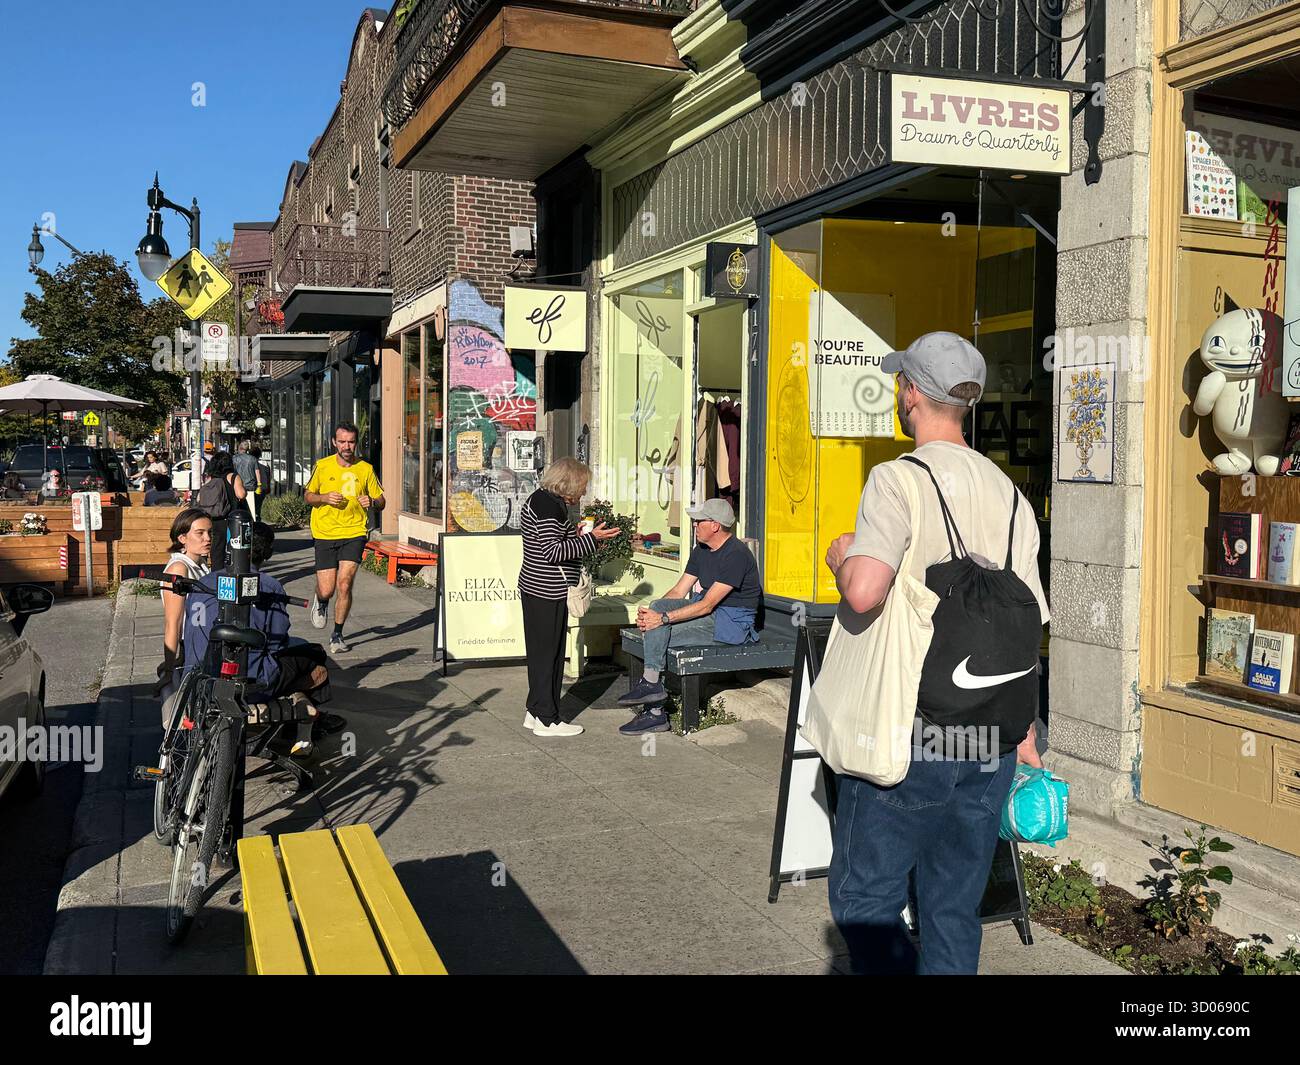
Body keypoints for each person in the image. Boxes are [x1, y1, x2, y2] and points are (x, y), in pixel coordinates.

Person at [821, 332, 1048, 976]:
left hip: (910, 730)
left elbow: (864, 592)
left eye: (901, 383)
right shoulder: (1012, 497)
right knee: (953, 907)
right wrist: (1028, 734)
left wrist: (842, 556)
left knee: (867, 900)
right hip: (991, 738)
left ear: (912, 393)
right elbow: (1028, 621)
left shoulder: (898, 480)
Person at [181, 521, 343, 756]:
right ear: (268, 552)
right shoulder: (268, 585)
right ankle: (308, 726)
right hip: (246, 681)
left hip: (198, 677)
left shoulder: (203, 583)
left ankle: (306, 720)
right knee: (312, 656)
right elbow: (278, 640)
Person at [617, 497, 762, 735]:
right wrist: (652, 614)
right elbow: (678, 591)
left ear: (715, 525)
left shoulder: (736, 554)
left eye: (699, 521)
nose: (694, 525)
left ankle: (654, 710)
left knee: (659, 632)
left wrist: (662, 619)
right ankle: (652, 689)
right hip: (708, 611)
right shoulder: (701, 549)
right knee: (657, 606)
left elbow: (707, 605)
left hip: (731, 623)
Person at [517, 457, 619, 738]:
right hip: (547, 590)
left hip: (536, 587)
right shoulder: (550, 506)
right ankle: (547, 720)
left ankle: (535, 711)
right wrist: (591, 539)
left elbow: (549, 542)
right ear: (569, 483)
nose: (583, 492)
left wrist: (575, 535)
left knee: (541, 655)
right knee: (549, 656)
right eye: (582, 486)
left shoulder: (540, 499)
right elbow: (553, 552)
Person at [304, 423, 385, 654]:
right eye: (342, 442)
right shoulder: (323, 466)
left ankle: (337, 635)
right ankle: (321, 600)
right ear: (334, 442)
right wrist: (324, 498)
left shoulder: (365, 469)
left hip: (354, 532)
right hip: (325, 532)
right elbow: (308, 496)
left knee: (345, 583)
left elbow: (382, 501)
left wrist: (372, 502)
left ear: (356, 442)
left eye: (351, 442)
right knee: (328, 589)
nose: (346, 446)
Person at [154, 508, 212, 698]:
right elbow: (174, 622)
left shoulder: (200, 563)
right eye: (200, 533)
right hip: (196, 648)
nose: (207, 538)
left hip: (200, 644)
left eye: (210, 532)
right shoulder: (179, 569)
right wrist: (169, 670)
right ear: (182, 538)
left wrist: (181, 657)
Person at [196, 451, 248, 571]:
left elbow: (199, 498)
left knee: (217, 548)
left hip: (214, 517)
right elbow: (241, 494)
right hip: (231, 519)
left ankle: (216, 573)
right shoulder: (233, 476)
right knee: (235, 547)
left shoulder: (211, 478)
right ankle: (234, 570)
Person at [233, 441, 259, 520]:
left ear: (239, 448)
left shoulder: (234, 458)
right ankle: (252, 519)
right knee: (251, 507)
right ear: (248, 449)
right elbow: (257, 472)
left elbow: (232, 472)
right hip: (250, 486)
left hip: (238, 486)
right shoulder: (253, 459)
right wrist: (259, 484)